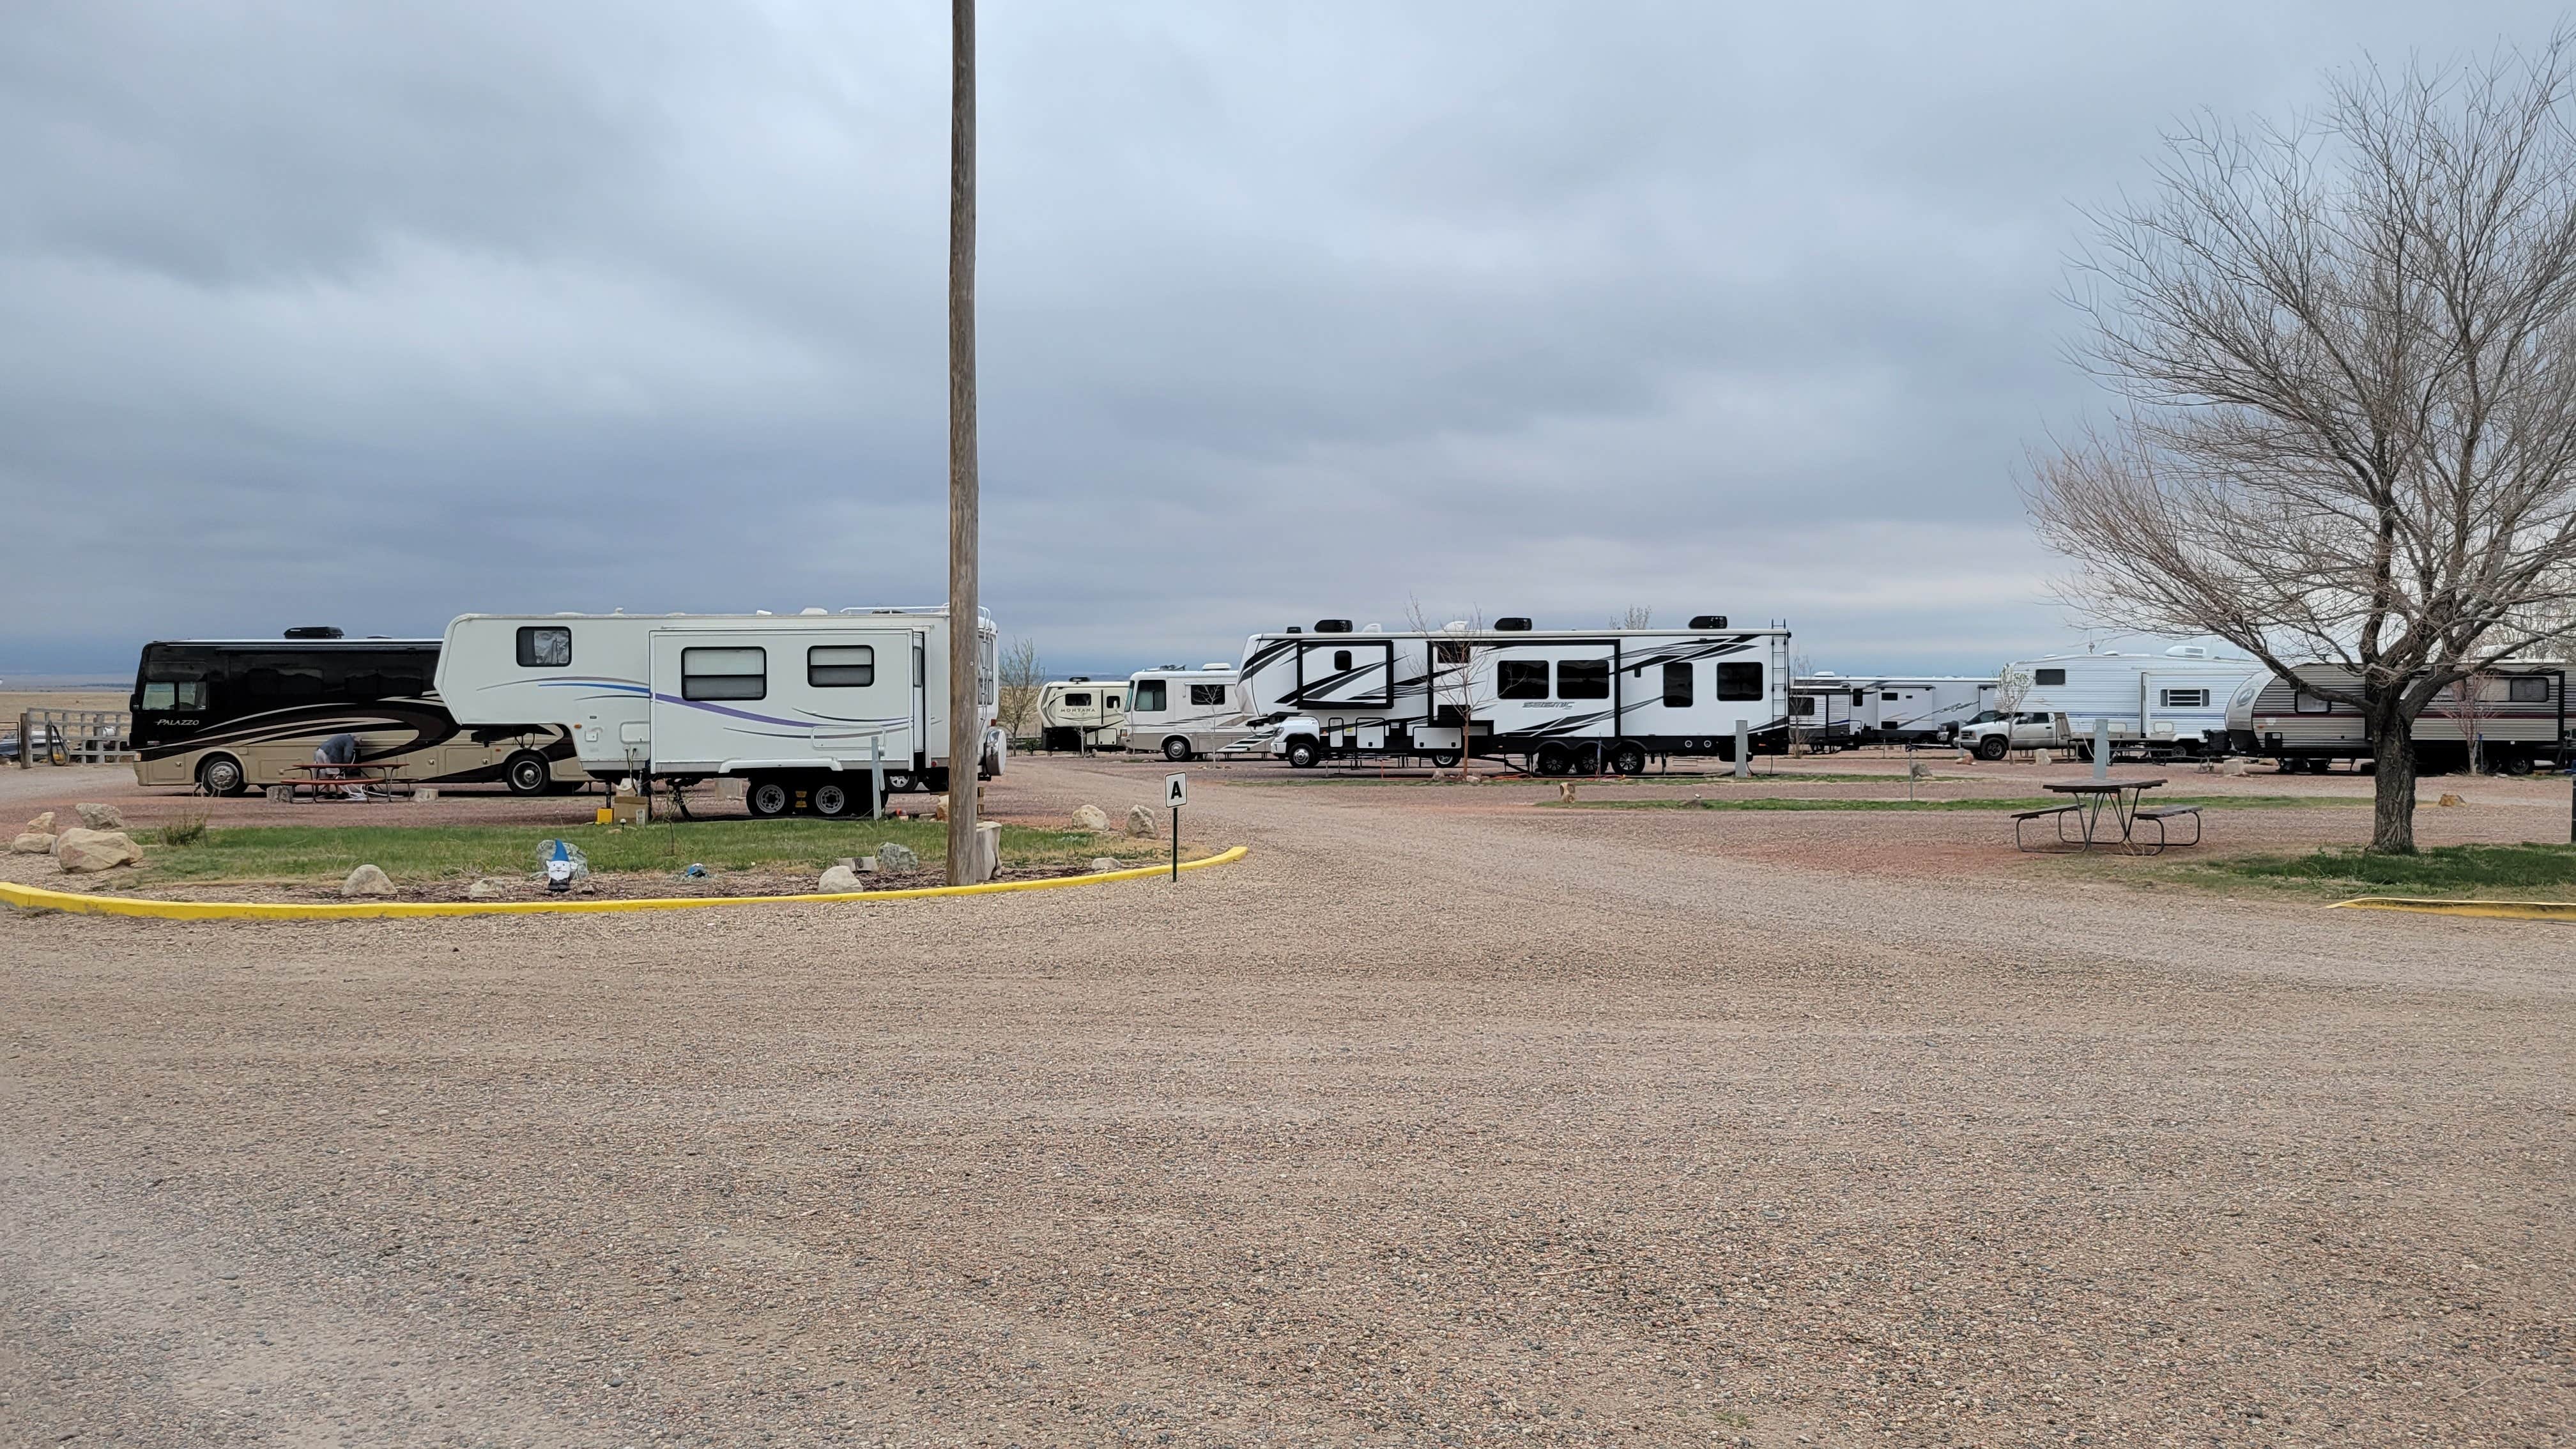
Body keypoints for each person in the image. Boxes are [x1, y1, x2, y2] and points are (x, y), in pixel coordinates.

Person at [313, 732, 366, 800]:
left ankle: (327, 793)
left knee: (328, 774)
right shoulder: (350, 741)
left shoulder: (343, 737)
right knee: (336, 774)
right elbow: (347, 755)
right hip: (329, 754)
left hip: (320, 752)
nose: (355, 746)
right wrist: (345, 766)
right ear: (356, 741)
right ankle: (340, 793)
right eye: (357, 744)